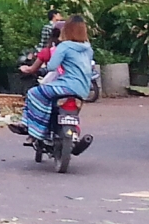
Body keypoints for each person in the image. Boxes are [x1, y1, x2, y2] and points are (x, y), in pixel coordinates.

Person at [18, 16, 96, 152]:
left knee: (33, 93)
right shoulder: (88, 48)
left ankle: (35, 130)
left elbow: (52, 66)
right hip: (83, 89)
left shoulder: (64, 46)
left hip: (65, 86)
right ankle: (74, 135)